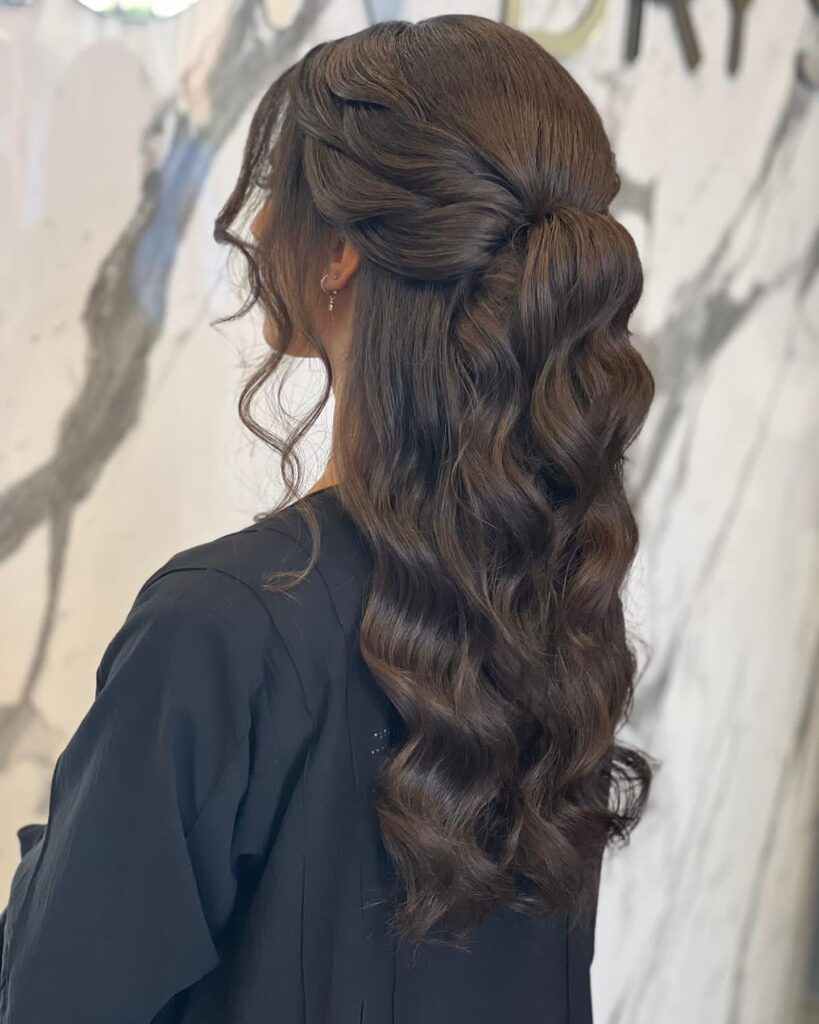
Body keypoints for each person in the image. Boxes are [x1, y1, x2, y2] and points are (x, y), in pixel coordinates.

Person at [0, 14, 656, 1023]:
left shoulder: (223, 626)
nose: (259, 226)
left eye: (277, 191)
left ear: (342, 255)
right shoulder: (560, 601)